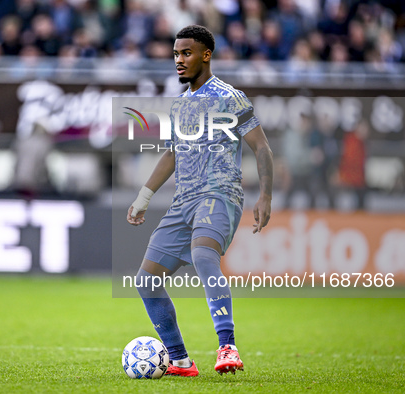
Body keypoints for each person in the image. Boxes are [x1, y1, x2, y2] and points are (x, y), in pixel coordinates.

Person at [127, 25, 273, 376]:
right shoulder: (179, 106)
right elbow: (171, 155)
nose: (179, 60)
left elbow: (262, 147)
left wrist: (265, 195)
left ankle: (227, 347)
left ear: (206, 55)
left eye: (186, 53)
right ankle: (179, 360)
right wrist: (144, 197)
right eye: (176, 54)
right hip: (183, 201)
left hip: (220, 194)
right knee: (145, 280)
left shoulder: (229, 97)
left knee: (203, 255)